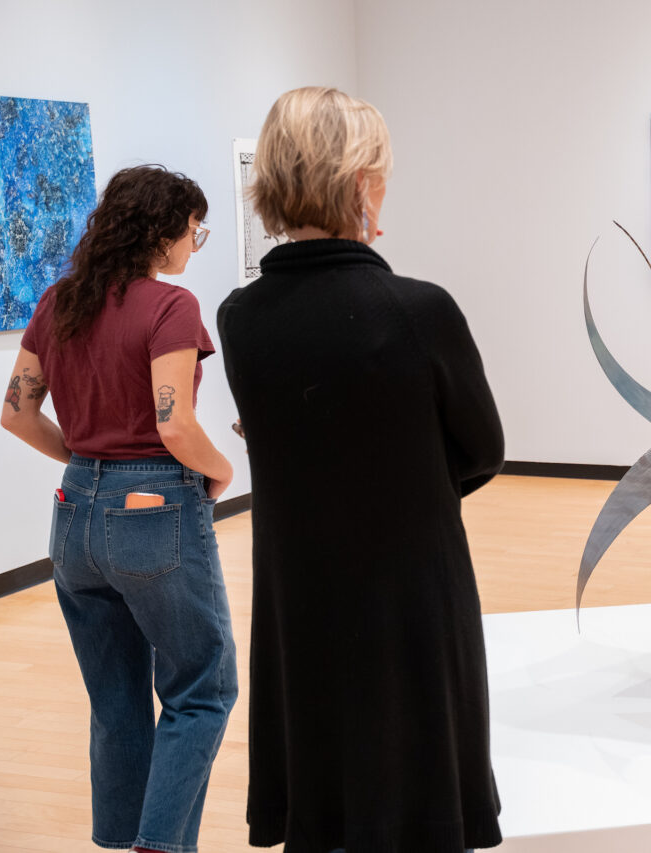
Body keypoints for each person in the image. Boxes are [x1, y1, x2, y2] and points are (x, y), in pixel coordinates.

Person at [217, 87, 504, 853]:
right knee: (416, 787)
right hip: (408, 591)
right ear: (355, 183)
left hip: (300, 591)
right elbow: (483, 448)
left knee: (325, 782)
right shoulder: (418, 309)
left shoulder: (240, 320)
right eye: (379, 171)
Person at [0, 165, 238, 853]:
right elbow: (175, 424)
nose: (195, 245)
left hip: (74, 512)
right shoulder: (172, 306)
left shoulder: (57, 301)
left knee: (116, 698)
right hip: (155, 507)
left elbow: (15, 415)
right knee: (201, 688)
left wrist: (88, 454)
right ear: (162, 231)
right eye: (194, 231)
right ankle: (159, 845)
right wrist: (221, 472)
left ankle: (124, 837)